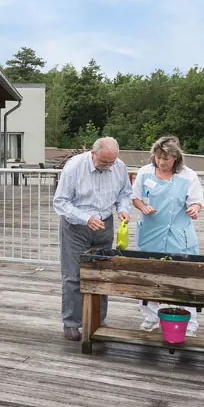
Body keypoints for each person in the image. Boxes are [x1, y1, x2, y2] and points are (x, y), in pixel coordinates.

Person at [52, 137, 133, 342]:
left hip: (104, 225)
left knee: (101, 274)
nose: (108, 167)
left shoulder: (119, 166)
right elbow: (60, 202)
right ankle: (71, 322)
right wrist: (86, 219)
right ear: (92, 153)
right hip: (76, 226)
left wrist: (123, 209)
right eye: (104, 162)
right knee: (73, 275)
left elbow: (125, 193)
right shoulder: (74, 167)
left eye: (111, 163)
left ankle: (98, 319)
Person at [131, 135, 204, 334]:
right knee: (149, 274)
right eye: (158, 158)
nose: (161, 162)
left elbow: (197, 201)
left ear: (175, 158)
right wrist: (143, 207)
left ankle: (188, 321)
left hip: (178, 233)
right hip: (151, 231)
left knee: (182, 274)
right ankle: (150, 316)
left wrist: (195, 209)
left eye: (166, 158)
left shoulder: (188, 176)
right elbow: (135, 197)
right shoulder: (145, 173)